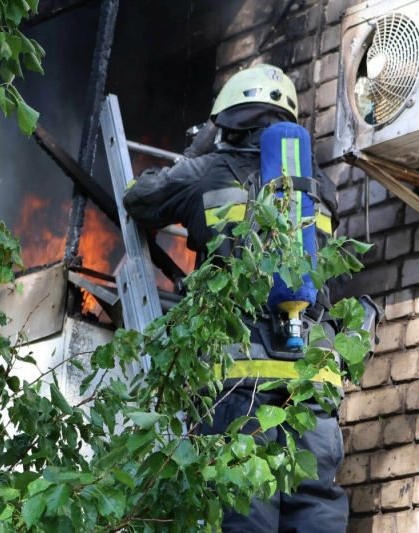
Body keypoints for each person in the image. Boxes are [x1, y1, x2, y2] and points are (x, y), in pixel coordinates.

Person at [123, 64, 381, 533]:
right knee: (316, 507)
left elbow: (140, 198)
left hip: (240, 383)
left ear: (227, 119)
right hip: (311, 382)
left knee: (245, 511)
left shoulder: (208, 172)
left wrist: (196, 147)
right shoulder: (318, 188)